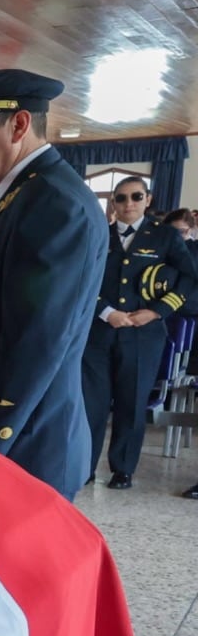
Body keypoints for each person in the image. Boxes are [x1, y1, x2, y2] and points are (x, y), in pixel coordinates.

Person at [0, 68, 108, 500]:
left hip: (21, 447)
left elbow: (33, 350)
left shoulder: (54, 204)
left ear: (20, 124)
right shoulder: (21, 196)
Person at [81, 177, 197, 489]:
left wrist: (158, 311)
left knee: (131, 403)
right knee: (93, 404)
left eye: (135, 196)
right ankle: (85, 467)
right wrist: (107, 312)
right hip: (100, 332)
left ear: (148, 199)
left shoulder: (166, 237)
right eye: (120, 198)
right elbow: (81, 279)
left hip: (144, 334)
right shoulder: (98, 235)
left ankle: (123, 469)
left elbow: (189, 278)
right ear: (113, 204)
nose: (128, 203)